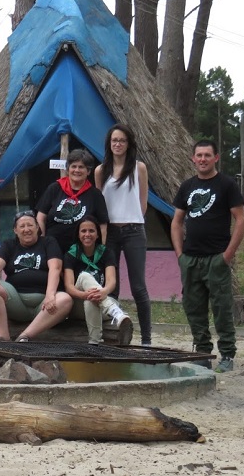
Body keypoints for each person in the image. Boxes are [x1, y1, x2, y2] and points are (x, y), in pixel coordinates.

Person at [171, 139, 244, 373]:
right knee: (193, 307)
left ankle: (227, 354)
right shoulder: (187, 186)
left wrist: (227, 255)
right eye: (199, 155)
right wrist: (180, 254)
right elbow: (177, 221)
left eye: (207, 155)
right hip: (190, 258)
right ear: (193, 159)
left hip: (216, 258)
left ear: (216, 158)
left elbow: (242, 220)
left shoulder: (227, 185)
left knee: (222, 307)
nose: (202, 159)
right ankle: (203, 353)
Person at [95, 124, 152, 345]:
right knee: (112, 286)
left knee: (138, 286)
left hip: (134, 230)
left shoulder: (139, 168)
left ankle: (146, 339)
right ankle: (114, 336)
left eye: (122, 140)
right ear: (109, 144)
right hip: (110, 232)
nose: (118, 144)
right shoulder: (101, 171)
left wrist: (133, 219)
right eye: (114, 140)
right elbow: (100, 204)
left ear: (129, 144)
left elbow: (143, 202)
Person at [0, 211, 74, 342]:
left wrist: (50, 295)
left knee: (65, 299)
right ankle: (3, 338)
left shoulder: (48, 242)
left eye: (30, 225)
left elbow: (55, 268)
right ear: (15, 230)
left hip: (44, 305)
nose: (26, 229)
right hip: (16, 301)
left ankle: (24, 337)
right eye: (22, 226)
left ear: (37, 227)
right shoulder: (9, 245)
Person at [63, 216, 131, 344]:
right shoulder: (71, 254)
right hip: (78, 307)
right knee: (84, 276)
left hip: (102, 303)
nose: (87, 234)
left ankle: (94, 343)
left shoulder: (106, 252)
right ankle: (115, 312)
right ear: (78, 234)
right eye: (83, 231)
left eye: (91, 231)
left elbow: (111, 282)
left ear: (97, 234)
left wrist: (103, 292)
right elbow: (69, 287)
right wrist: (84, 294)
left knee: (91, 300)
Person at [36, 148, 109, 254]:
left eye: (81, 167)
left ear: (88, 171)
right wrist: (41, 243)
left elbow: (103, 224)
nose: (77, 170)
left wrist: (100, 249)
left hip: (82, 250)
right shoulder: (54, 188)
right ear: (67, 169)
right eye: (73, 166)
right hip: (53, 248)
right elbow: (40, 217)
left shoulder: (95, 194)